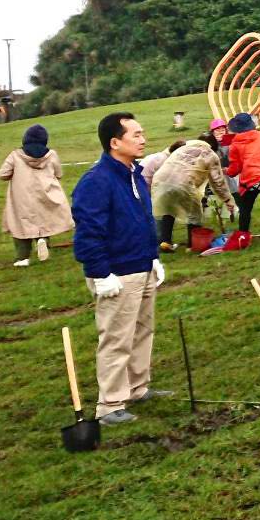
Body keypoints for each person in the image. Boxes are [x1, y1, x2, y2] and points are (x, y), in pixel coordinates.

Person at [71, 112, 166, 425]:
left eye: (142, 133)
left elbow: (142, 219)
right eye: (135, 135)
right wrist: (100, 273)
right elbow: (88, 232)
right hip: (117, 273)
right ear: (115, 142)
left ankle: (137, 388)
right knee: (116, 338)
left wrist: (153, 256)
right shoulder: (97, 181)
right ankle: (110, 405)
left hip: (142, 265)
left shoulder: (134, 174)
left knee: (142, 331)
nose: (143, 139)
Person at [0, 124, 73, 267]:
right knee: (44, 218)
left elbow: (2, 174)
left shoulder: (15, 155)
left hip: (22, 197)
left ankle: (23, 257)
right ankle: (42, 240)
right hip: (46, 194)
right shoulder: (51, 155)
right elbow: (59, 174)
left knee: (20, 226)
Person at [151, 134, 233, 252]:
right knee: (195, 214)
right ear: (213, 146)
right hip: (183, 183)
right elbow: (218, 181)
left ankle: (165, 241)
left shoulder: (182, 148)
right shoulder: (210, 154)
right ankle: (192, 246)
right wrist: (227, 199)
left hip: (160, 179)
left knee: (169, 208)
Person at [225, 113, 260, 236]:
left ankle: (243, 234)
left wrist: (227, 171)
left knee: (245, 208)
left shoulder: (235, 144)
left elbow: (235, 168)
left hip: (251, 180)